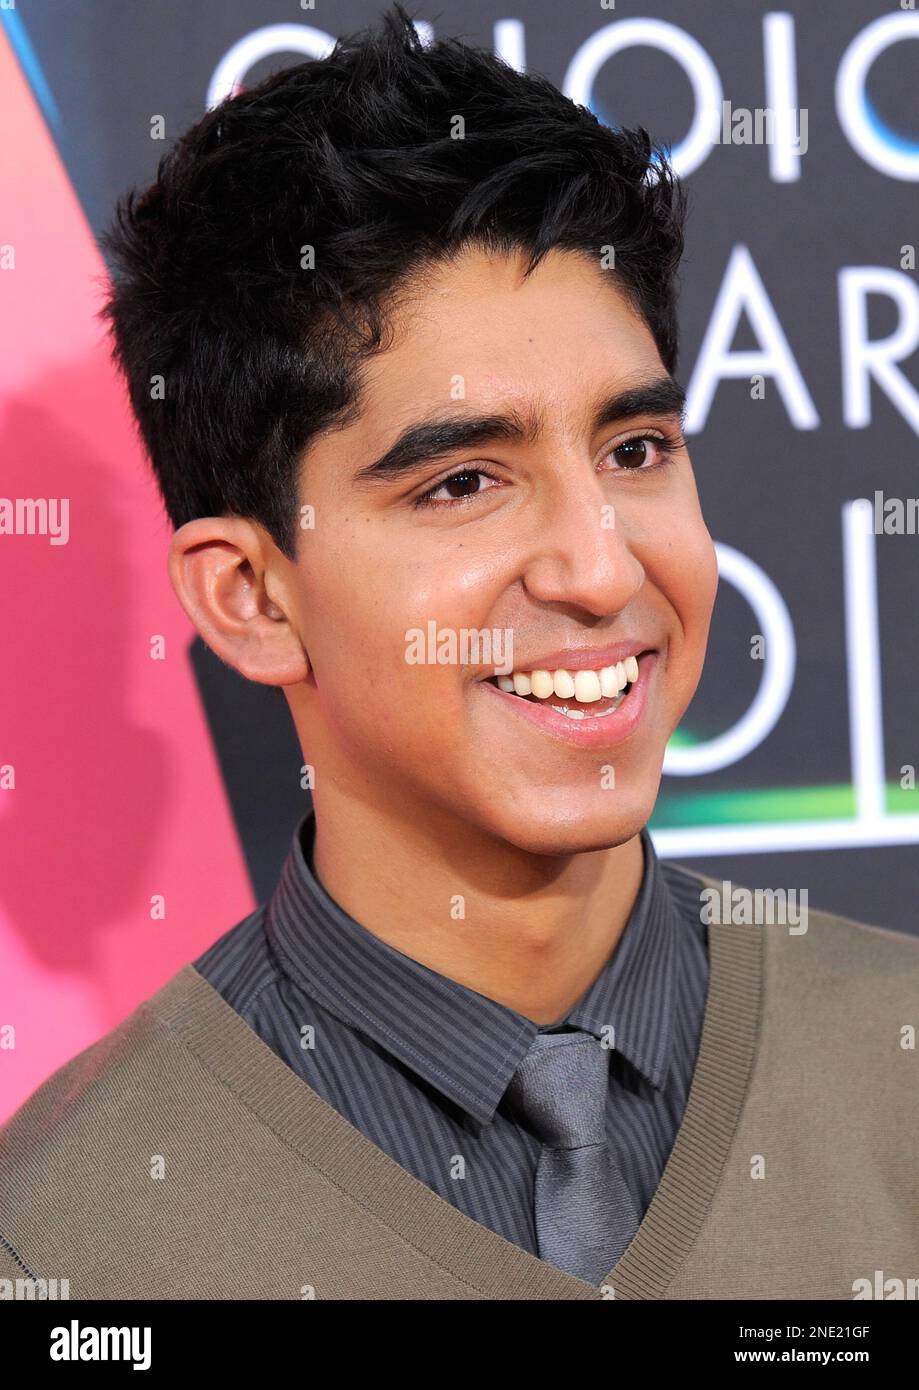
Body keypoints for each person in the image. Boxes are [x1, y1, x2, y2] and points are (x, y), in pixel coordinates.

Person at [1, 4, 916, 1302]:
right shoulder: (60, 1255)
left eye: (635, 450)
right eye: (465, 482)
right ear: (252, 597)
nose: (601, 569)